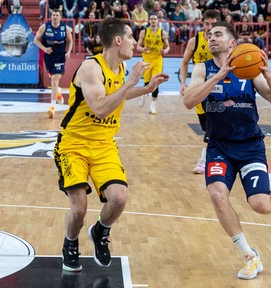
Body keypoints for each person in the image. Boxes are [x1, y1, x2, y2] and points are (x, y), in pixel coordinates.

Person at [183, 21, 271, 280]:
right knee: (217, 194)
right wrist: (218, 76)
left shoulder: (249, 69)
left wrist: (268, 75)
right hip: (219, 146)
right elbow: (189, 101)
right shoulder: (203, 68)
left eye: (218, 35)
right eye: (209, 35)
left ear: (233, 43)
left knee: (261, 205)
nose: (211, 38)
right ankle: (249, 255)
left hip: (250, 146)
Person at [53, 17, 169, 272]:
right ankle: (70, 243)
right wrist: (132, 82)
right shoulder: (91, 67)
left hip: (104, 143)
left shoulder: (119, 69)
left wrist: (146, 88)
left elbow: (119, 95)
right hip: (74, 144)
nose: (134, 43)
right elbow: (101, 107)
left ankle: (100, 231)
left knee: (118, 198)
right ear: (118, 40)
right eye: (130, 38)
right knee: (79, 208)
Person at [179, 9, 220, 174]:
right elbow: (184, 63)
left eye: (213, 24)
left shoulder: (222, 41)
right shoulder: (194, 41)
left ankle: (203, 160)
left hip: (218, 88)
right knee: (206, 127)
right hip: (198, 86)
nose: (209, 27)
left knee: (212, 125)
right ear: (202, 23)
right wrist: (183, 83)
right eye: (207, 23)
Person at [34, 8, 73, 118]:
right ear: (51, 16)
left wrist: (68, 52)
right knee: (53, 81)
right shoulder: (45, 27)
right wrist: (44, 48)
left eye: (57, 15)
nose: (55, 17)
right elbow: (35, 40)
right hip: (49, 56)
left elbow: (70, 41)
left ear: (60, 17)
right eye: (53, 15)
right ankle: (58, 94)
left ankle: (52, 107)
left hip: (60, 57)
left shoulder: (65, 28)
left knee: (55, 81)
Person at [136, 13, 170, 114]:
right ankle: (144, 95)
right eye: (152, 19)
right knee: (147, 83)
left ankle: (153, 106)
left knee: (155, 82)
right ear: (149, 21)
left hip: (157, 60)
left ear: (157, 21)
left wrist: (165, 51)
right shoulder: (144, 32)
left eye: (155, 19)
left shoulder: (162, 33)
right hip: (147, 60)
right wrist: (143, 49)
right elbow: (138, 47)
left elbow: (168, 47)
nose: (153, 21)